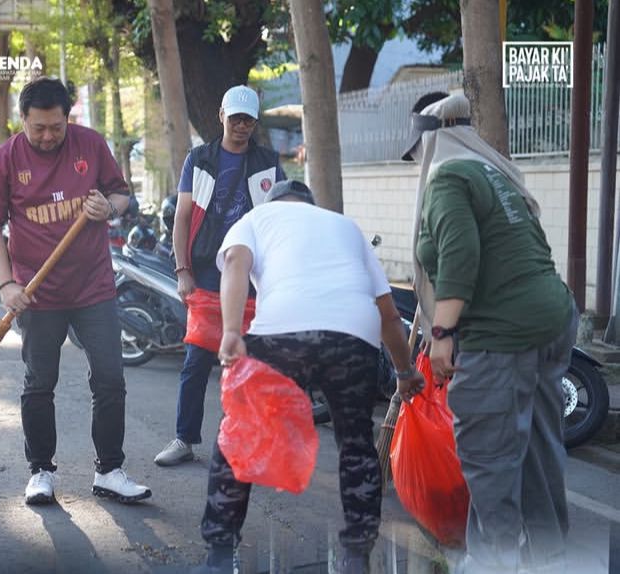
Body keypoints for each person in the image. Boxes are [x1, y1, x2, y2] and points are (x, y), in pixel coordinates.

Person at [194, 180, 425, 574]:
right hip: (353, 337)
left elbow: (234, 262)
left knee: (240, 437)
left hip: (281, 332)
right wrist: (405, 373)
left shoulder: (258, 216)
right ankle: (356, 556)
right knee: (356, 443)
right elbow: (388, 314)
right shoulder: (345, 226)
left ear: (276, 203)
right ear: (310, 205)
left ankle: (219, 555)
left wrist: (231, 331)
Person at [401, 92, 577, 574]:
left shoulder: (448, 178)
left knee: (489, 461)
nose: (418, 163)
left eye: (417, 152)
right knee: (540, 453)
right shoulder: (497, 176)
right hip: (553, 320)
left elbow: (460, 256)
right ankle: (550, 559)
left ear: (431, 142)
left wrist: (442, 333)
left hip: (502, 337)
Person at [0, 77, 151, 506]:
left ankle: (109, 470)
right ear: (23, 120)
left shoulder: (90, 144)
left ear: (67, 117)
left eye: (56, 126)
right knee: (39, 383)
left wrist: (109, 208)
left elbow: (122, 195)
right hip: (37, 294)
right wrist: (6, 283)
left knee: (109, 378)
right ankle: (41, 471)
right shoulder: (5, 159)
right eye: (39, 128)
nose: (49, 135)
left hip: (94, 287)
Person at [154, 85, 286, 467]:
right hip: (208, 275)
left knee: (252, 363)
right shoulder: (200, 160)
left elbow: (279, 216)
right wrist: (182, 271)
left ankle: (250, 441)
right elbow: (182, 217)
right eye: (235, 118)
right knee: (196, 361)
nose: (241, 126)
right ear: (221, 117)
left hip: (252, 275)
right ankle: (184, 438)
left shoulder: (266, 161)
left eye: (248, 119)